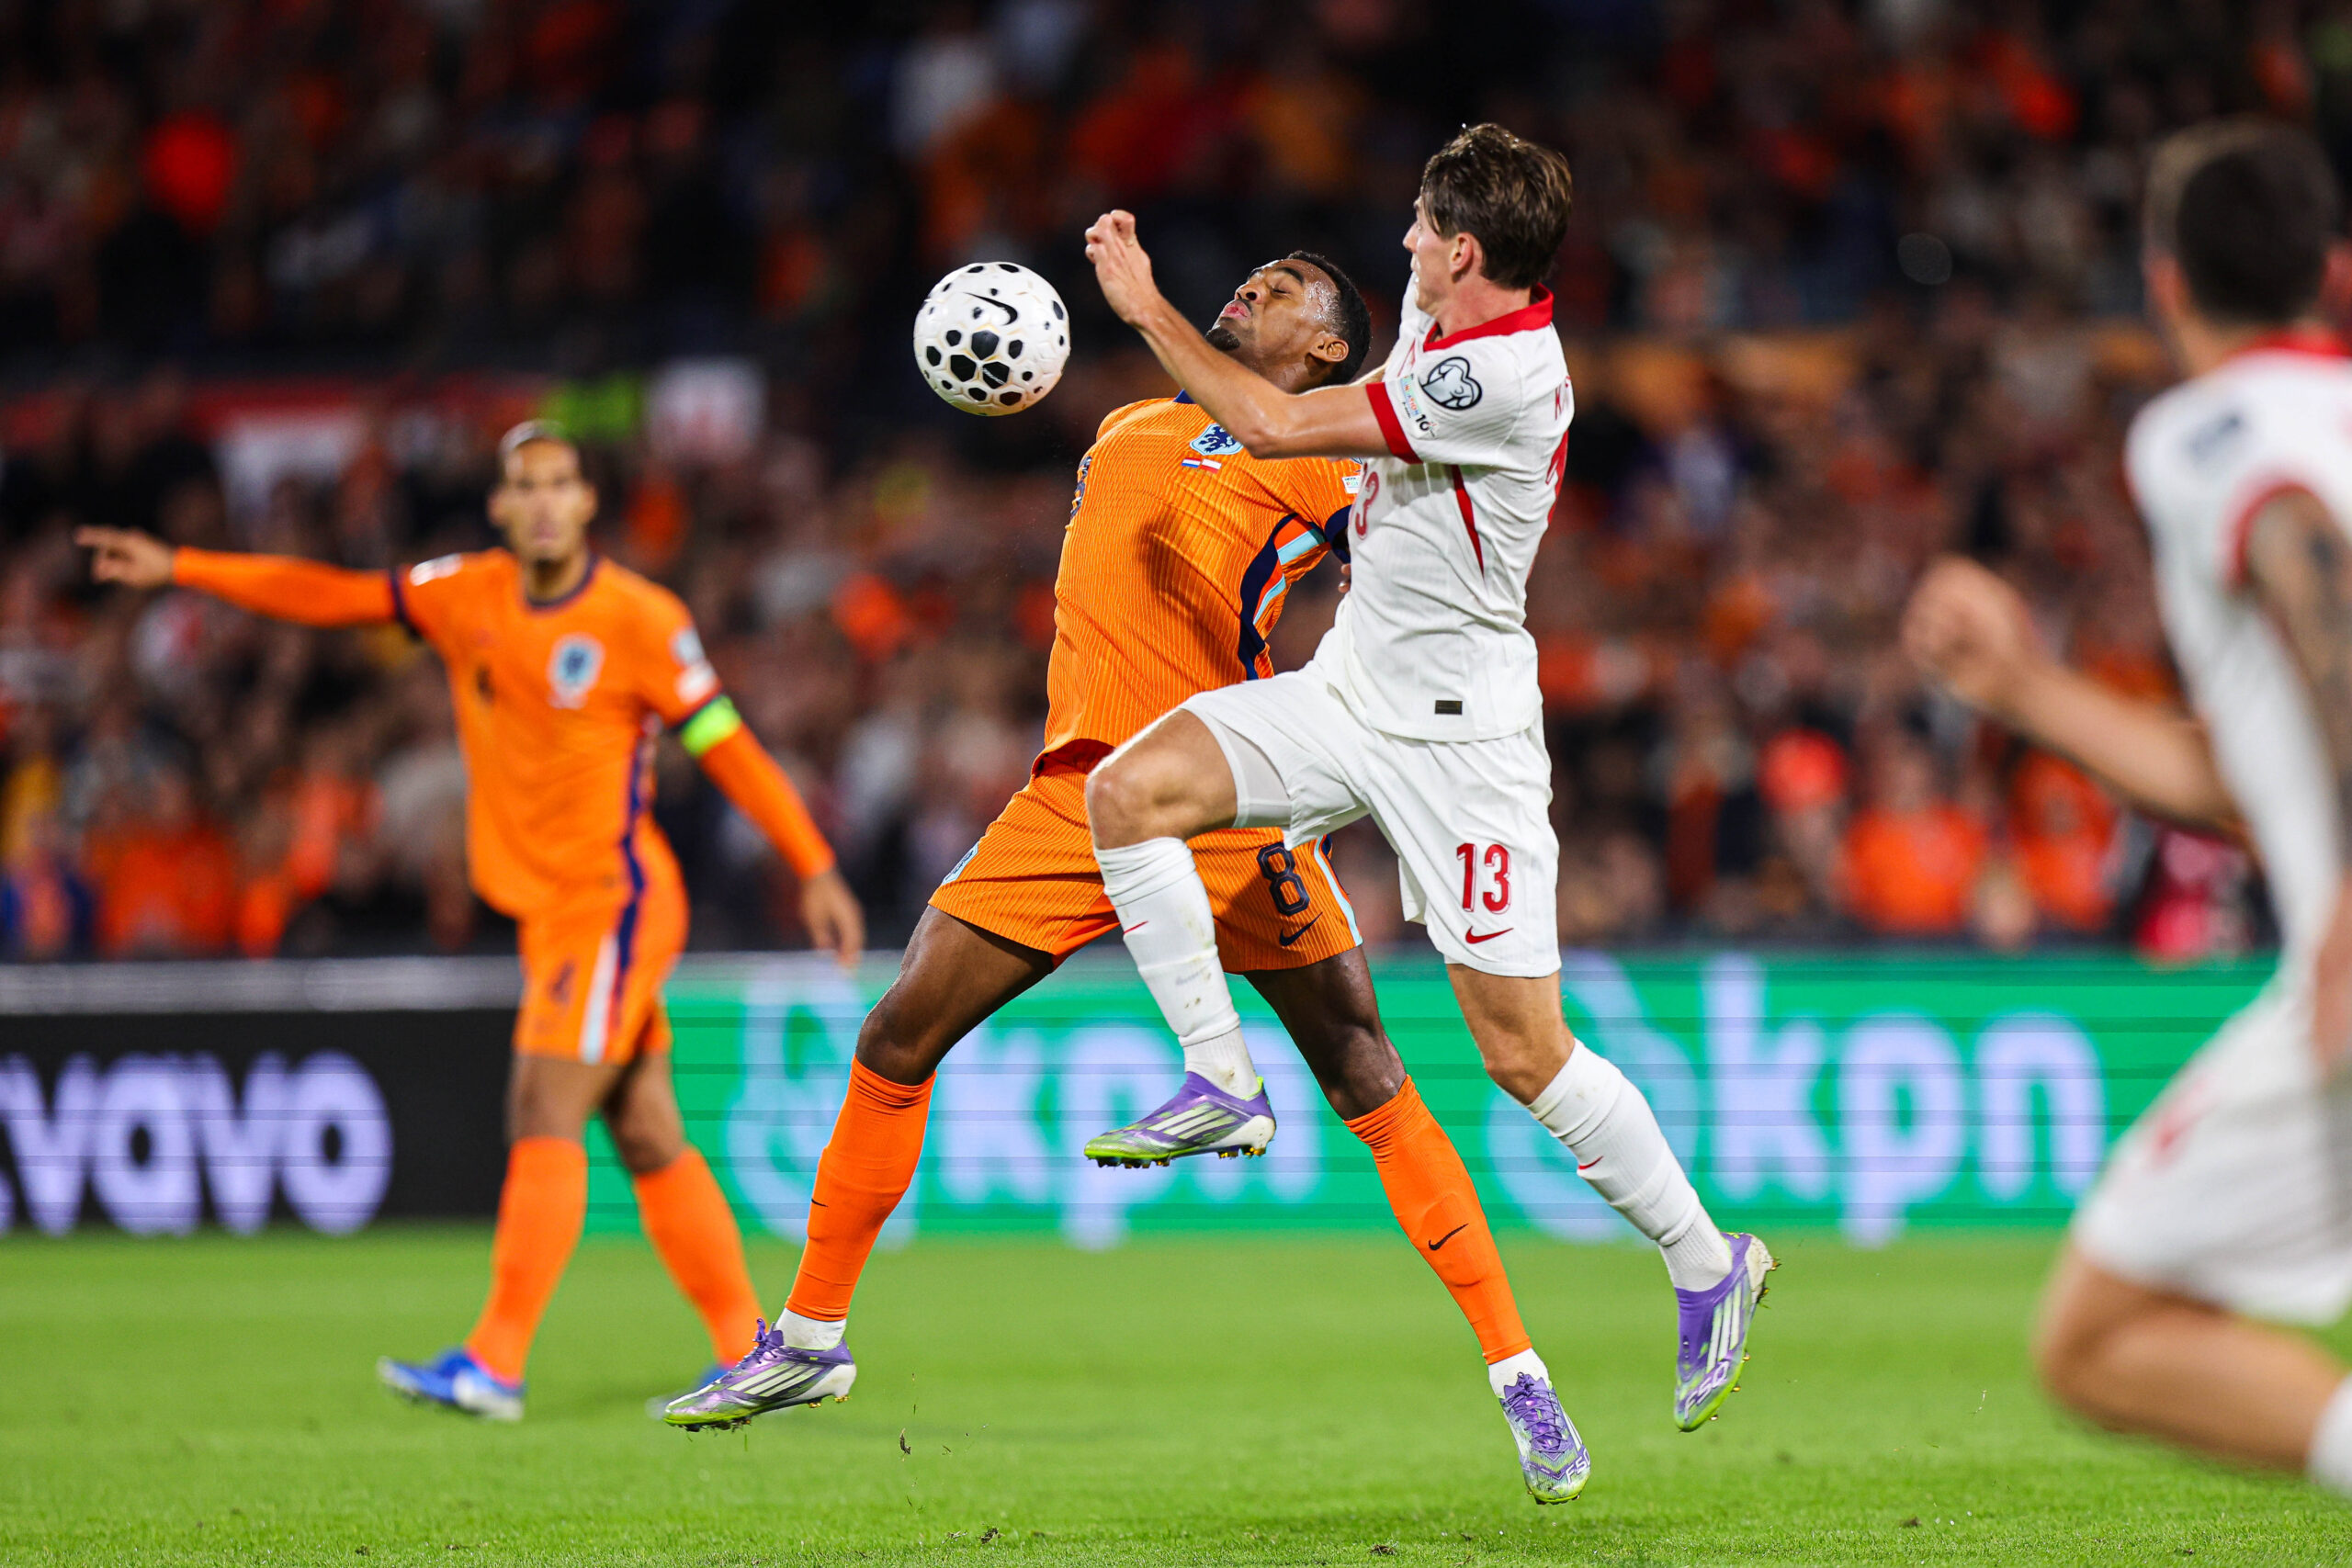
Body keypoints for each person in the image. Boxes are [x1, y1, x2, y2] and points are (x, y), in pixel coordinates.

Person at [663, 253, 1572, 1502]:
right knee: (895, 1034)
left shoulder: (1325, 455)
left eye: (1288, 285)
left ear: (1329, 349)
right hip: (1073, 793)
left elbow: (1415, 578)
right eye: (1251, 276)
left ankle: (1519, 1372)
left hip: (1221, 786)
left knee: (1363, 1064)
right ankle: (811, 1340)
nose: (1254, 287)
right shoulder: (1132, 421)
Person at [1077, 124, 1772, 1485]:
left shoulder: (1505, 377)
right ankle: (1220, 1073)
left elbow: (1276, 419)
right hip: (1350, 694)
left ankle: (1709, 1257)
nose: (1398, 242)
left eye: (1417, 229)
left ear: (1463, 254)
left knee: (1522, 1051)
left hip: (1465, 746)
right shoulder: (1448, 302)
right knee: (1129, 792)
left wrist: (1144, 306)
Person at [78, 423, 865, 1421]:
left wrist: (814, 865)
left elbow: (727, 745)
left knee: (543, 1107)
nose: (541, 503)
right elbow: (335, 595)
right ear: (499, 508)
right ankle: (759, 1349)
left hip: (611, 906)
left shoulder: (638, 618)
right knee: (645, 1129)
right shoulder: (465, 594)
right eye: (522, 487)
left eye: (560, 485)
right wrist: (183, 565)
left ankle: (494, 1361)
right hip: (554, 913)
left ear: (587, 503)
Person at [1904, 118, 2352, 1496]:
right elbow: (2247, 773)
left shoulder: (2209, 430)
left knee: (2102, 1334)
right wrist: (2026, 685)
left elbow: (2302, 553)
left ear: (2163, 284)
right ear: (2334, 271)